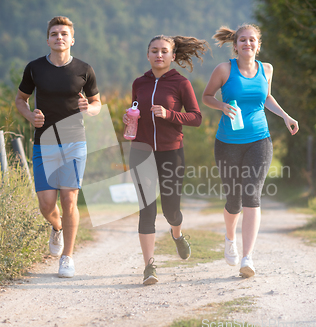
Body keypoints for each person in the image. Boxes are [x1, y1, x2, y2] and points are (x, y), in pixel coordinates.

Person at [202, 24, 299, 278]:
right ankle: (229, 238)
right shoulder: (224, 69)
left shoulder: (266, 69)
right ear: (235, 45)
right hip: (227, 142)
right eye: (242, 40)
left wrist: (285, 116)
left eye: (252, 40)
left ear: (258, 44)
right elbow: (207, 96)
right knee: (233, 200)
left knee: (252, 195)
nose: (247, 44)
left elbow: (266, 97)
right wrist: (221, 106)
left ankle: (247, 258)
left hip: (260, 140)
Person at [15, 16, 101, 278]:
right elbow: (20, 100)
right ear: (48, 39)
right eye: (54, 34)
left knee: (69, 199)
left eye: (64, 34)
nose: (59, 37)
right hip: (44, 142)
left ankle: (67, 258)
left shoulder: (84, 69)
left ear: (72, 39)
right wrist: (30, 116)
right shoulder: (34, 68)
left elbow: (97, 104)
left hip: (75, 141)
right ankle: (57, 228)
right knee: (46, 204)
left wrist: (90, 108)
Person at [125, 35, 209, 285]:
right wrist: (129, 119)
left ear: (173, 56)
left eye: (164, 51)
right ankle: (149, 267)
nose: (159, 55)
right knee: (146, 210)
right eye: (154, 51)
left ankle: (177, 234)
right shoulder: (139, 82)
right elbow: (136, 110)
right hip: (140, 151)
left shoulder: (181, 83)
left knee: (171, 210)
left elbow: (196, 117)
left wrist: (169, 114)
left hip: (171, 152)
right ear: (148, 55)